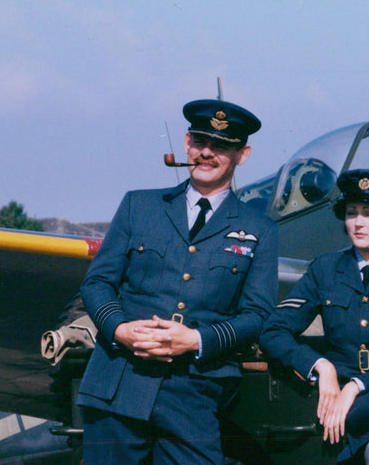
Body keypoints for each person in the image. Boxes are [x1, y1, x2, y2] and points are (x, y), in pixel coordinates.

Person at [76, 99, 278, 464]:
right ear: (186, 143)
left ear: (242, 154)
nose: (206, 153)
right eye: (200, 141)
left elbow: (259, 314)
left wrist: (196, 340)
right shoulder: (138, 206)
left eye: (220, 146)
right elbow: (97, 283)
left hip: (196, 392)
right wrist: (120, 329)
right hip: (119, 382)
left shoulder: (261, 229)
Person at [259, 170, 369, 465]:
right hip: (339, 400)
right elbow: (274, 331)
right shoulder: (325, 269)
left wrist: (357, 385)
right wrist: (320, 366)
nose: (358, 223)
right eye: (351, 213)